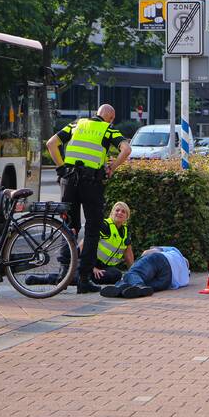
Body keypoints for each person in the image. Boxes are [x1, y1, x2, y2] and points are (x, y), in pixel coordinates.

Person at [47, 104, 131, 293]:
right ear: (111, 118)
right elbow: (126, 150)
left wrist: (62, 169)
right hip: (92, 184)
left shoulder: (76, 124)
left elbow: (51, 144)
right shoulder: (107, 129)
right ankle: (84, 280)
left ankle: (63, 275)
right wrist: (112, 168)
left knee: (69, 226)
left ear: (96, 114)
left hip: (69, 183)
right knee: (92, 230)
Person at [26, 201, 134, 287]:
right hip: (86, 261)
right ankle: (44, 279)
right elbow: (84, 244)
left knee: (116, 274)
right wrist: (91, 268)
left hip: (104, 266)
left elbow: (128, 253)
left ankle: (80, 278)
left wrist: (134, 272)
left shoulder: (125, 231)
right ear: (112, 213)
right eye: (117, 210)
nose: (119, 213)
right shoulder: (104, 225)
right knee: (82, 277)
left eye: (123, 212)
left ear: (126, 217)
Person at [100, 245, 190, 299]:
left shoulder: (174, 251)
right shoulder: (185, 278)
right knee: (144, 285)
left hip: (161, 259)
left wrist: (139, 262)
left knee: (133, 273)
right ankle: (125, 289)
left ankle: (121, 286)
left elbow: (147, 252)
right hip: (167, 280)